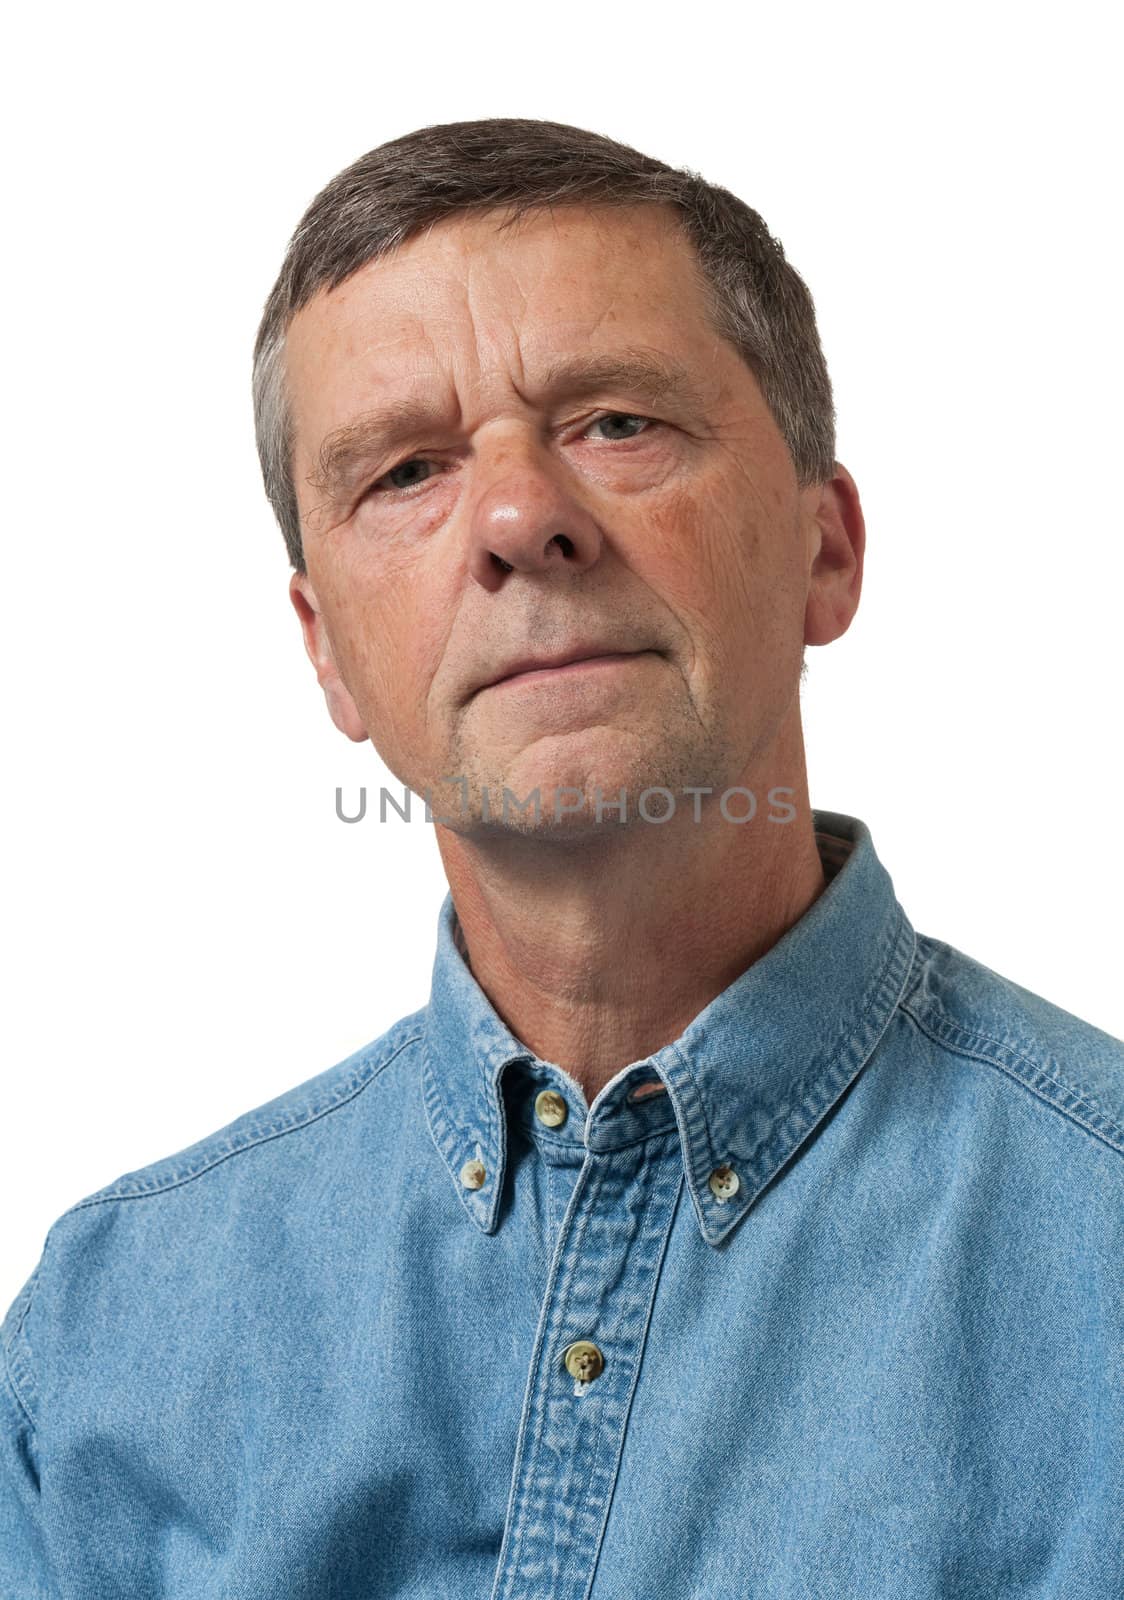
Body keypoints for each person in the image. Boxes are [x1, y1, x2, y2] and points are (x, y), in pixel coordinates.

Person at [3, 116, 1121, 1598]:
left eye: (616, 423)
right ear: (330, 654)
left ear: (826, 551)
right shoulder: (104, 1343)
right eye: (406, 470)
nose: (523, 519)